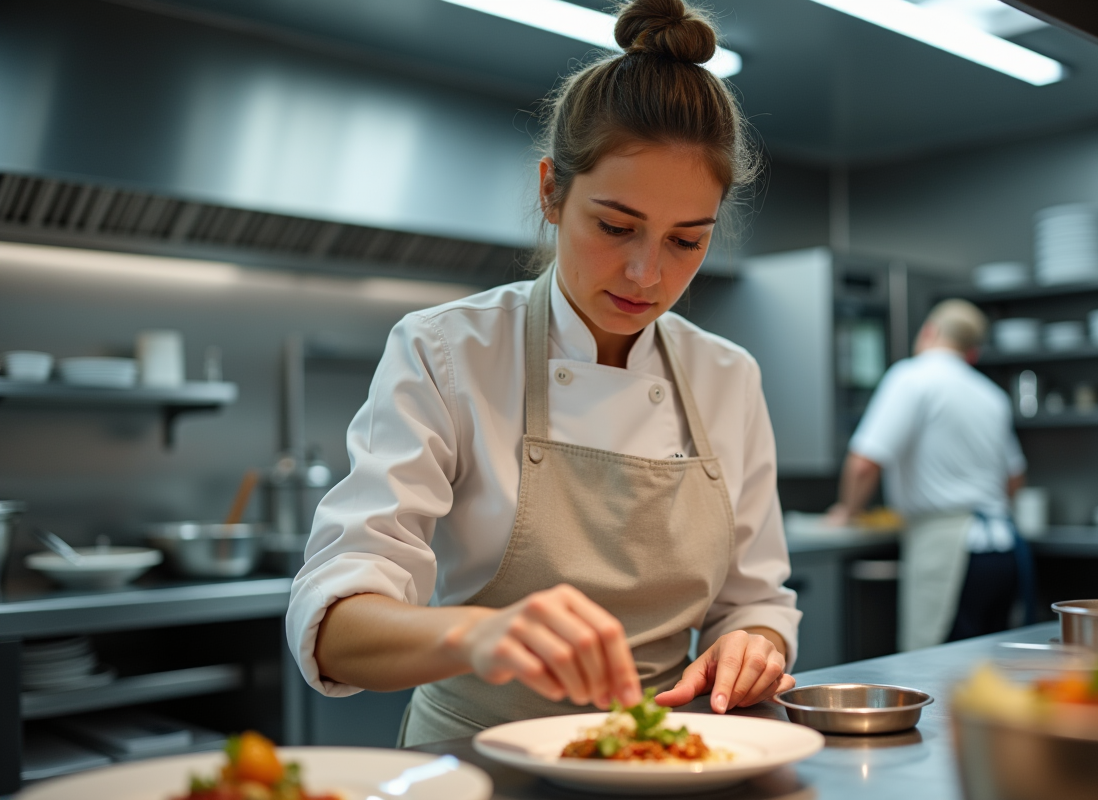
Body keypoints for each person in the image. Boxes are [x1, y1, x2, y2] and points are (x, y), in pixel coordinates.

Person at [286, 0, 802, 747]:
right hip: (474, 764)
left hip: (662, 759)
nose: (646, 273)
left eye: (687, 241)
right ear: (551, 193)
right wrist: (475, 636)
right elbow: (333, 620)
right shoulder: (447, 351)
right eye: (616, 226)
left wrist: (757, 644)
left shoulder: (728, 376)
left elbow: (757, 601)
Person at [826, 299, 1029, 651]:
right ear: (972, 352)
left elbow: (864, 463)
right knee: (990, 671)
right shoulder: (992, 395)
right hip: (1004, 550)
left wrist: (847, 511)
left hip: (948, 549)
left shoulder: (911, 377)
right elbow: (1015, 479)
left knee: (936, 671)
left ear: (929, 331)